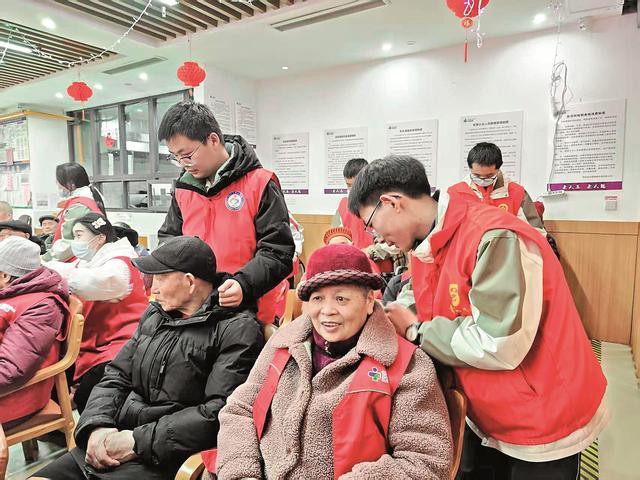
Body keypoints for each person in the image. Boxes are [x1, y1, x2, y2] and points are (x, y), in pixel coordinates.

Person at [348, 155, 609, 480]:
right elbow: (422, 295)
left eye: (371, 224)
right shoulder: (429, 242)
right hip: (489, 407)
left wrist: (416, 331)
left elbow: (499, 341)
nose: (376, 237)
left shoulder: (493, 236)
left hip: (544, 411)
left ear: (392, 203)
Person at [33, 236, 264, 480]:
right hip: (115, 439)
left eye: (161, 278)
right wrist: (96, 426)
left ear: (189, 282)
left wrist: (136, 441)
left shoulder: (237, 329)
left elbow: (218, 411)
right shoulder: (156, 315)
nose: (153, 289)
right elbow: (117, 375)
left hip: (165, 455)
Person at [215, 244, 453, 480]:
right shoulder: (283, 344)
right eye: (318, 298)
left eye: (341, 299)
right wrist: (242, 473)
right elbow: (240, 410)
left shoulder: (407, 365)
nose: (327, 310)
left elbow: (425, 462)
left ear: (369, 301)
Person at [157, 101, 294, 324]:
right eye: (175, 157)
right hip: (193, 311)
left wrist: (244, 284)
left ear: (213, 140)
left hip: (246, 310)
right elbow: (169, 239)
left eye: (187, 155)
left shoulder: (260, 184)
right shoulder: (184, 189)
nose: (183, 164)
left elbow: (278, 252)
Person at [46, 213, 148, 413]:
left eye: (79, 235)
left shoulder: (120, 264)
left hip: (120, 343)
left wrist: (48, 272)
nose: (75, 242)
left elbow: (87, 282)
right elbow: (69, 270)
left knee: (90, 396)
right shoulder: (88, 261)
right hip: (94, 341)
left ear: (100, 237)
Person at [0, 237, 69, 430]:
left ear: (5, 275)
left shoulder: (41, 307)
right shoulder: (12, 291)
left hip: (13, 397)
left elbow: (11, 370)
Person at [444, 142, 543, 230]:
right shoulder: (456, 192)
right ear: (470, 168)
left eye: (489, 176)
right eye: (477, 175)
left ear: (498, 169)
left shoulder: (517, 192)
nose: (482, 180)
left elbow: (535, 230)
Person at [332, 158, 406, 276]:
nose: (352, 191)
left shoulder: (385, 203)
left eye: (356, 185)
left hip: (382, 270)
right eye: (349, 185)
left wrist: (370, 252)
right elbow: (335, 233)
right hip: (353, 268)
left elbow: (397, 244)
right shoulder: (343, 204)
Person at [45, 162, 106, 262]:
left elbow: (68, 243)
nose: (57, 185)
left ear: (71, 184)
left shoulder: (79, 205)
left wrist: (45, 260)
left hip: (77, 259)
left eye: (58, 182)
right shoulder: (90, 195)